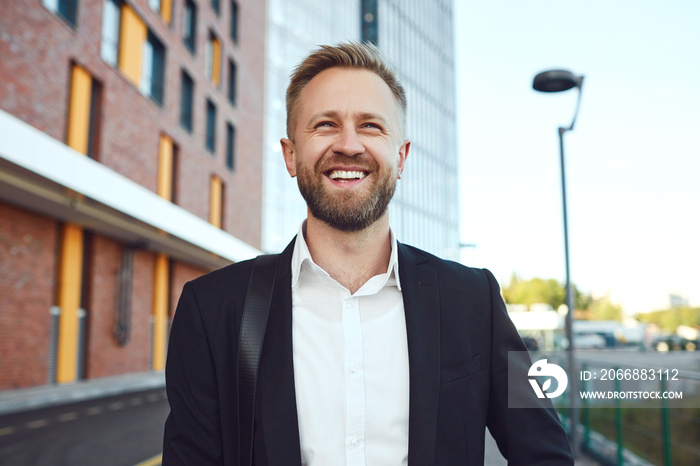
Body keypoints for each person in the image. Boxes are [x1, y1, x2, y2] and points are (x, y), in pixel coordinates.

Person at [163, 42, 574, 465]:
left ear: (401, 157)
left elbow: (546, 452)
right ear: (290, 155)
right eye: (325, 124)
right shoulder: (212, 308)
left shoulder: (475, 300)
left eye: (371, 126)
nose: (348, 145)